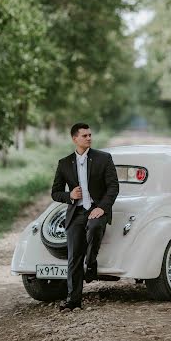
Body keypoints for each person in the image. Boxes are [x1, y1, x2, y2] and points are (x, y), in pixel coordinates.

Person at [51, 122, 119, 311]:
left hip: (97, 209)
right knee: (73, 257)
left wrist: (103, 208)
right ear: (75, 139)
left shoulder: (103, 158)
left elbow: (113, 186)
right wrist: (69, 195)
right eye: (85, 136)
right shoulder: (64, 163)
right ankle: (73, 301)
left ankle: (91, 263)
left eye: (90, 135)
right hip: (76, 212)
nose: (89, 138)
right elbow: (55, 192)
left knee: (95, 227)